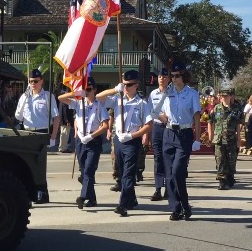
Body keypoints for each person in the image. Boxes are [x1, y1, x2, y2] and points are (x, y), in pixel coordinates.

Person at [97, 69, 153, 217]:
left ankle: (123, 205)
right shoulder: (117, 99)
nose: (127, 88)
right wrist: (115, 89)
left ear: (137, 85)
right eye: (125, 85)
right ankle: (132, 200)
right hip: (119, 140)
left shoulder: (142, 103)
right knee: (122, 174)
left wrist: (133, 135)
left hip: (132, 141)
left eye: (130, 85)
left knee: (128, 175)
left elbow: (149, 124)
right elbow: (98, 98)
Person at [158, 62, 201, 220]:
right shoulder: (167, 92)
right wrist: (155, 113)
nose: (173, 79)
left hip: (184, 134)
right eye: (172, 76)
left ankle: (185, 204)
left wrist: (197, 139)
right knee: (169, 175)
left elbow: (196, 117)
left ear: (183, 76)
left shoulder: (191, 94)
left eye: (177, 76)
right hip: (169, 133)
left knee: (177, 172)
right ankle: (175, 208)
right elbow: (161, 114)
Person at [59, 76, 109, 209]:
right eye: (85, 89)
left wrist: (92, 136)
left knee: (88, 170)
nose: (87, 92)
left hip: (93, 140)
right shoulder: (79, 103)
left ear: (95, 90)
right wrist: (75, 93)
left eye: (89, 89)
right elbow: (61, 99)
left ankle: (82, 196)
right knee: (84, 171)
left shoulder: (99, 106)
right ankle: (92, 199)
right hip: (81, 140)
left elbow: (105, 126)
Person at [15, 68, 60, 204]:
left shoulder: (48, 96)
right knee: (26, 164)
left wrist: (53, 135)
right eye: (30, 81)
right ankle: (28, 193)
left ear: (41, 81)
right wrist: (25, 99)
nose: (33, 84)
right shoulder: (24, 97)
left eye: (35, 81)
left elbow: (56, 117)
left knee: (39, 164)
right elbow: (18, 116)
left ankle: (42, 193)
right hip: (28, 132)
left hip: (41, 132)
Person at [207, 86, 244, 190]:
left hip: (231, 138)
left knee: (231, 160)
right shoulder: (216, 108)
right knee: (220, 159)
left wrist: (239, 140)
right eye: (222, 96)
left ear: (230, 96)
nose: (223, 98)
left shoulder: (236, 109)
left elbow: (239, 125)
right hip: (218, 138)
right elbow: (210, 122)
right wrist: (211, 136)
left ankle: (230, 177)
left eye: (225, 96)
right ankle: (222, 181)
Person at [148, 67, 171, 201]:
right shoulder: (153, 94)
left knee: (167, 158)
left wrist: (165, 117)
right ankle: (157, 188)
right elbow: (150, 112)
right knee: (157, 159)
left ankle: (168, 188)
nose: (162, 79)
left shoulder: (172, 92)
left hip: (168, 127)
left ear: (168, 79)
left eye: (164, 76)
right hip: (156, 127)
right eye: (160, 77)